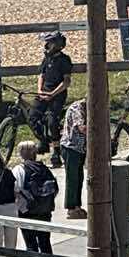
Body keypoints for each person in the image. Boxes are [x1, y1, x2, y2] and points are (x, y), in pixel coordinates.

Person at [13, 138, 58, 257]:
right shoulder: (44, 168)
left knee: (31, 243)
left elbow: (16, 190)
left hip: (28, 211)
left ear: (21, 153)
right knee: (45, 241)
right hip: (45, 211)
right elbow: (54, 189)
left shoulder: (19, 169)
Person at [36, 31, 74, 169]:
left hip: (57, 95)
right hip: (43, 92)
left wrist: (52, 94)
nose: (46, 45)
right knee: (33, 116)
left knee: (53, 122)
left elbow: (66, 82)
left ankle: (56, 153)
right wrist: (40, 90)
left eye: (50, 43)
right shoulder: (47, 58)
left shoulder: (64, 60)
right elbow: (41, 75)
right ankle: (43, 142)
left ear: (57, 45)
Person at [60, 94, 89, 219]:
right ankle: (71, 208)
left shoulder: (87, 108)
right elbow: (82, 128)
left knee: (79, 177)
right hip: (71, 147)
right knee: (72, 178)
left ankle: (77, 206)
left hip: (80, 148)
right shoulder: (77, 108)